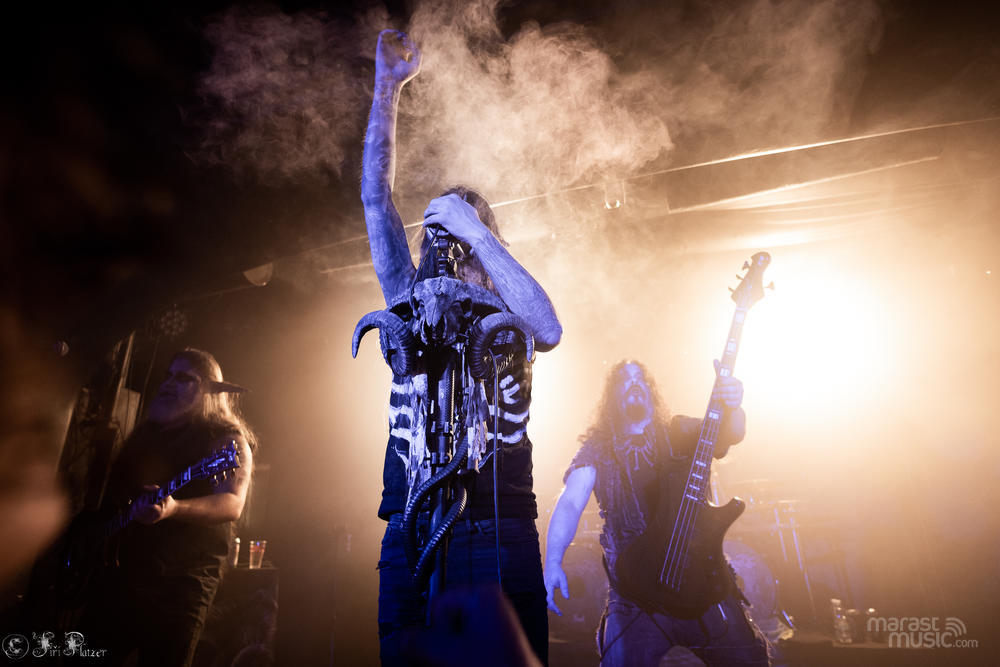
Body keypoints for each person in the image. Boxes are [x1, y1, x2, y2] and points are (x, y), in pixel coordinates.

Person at [361, 29, 562, 666]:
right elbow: (375, 198)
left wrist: (475, 228)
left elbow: (549, 330)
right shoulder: (409, 294)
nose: (444, 241)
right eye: (438, 230)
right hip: (410, 521)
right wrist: (387, 89)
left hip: (497, 525)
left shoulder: (508, 307)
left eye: (459, 229)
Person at [544, 360, 770, 666]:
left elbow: (730, 432)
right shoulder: (598, 449)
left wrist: (734, 405)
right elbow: (571, 502)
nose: (634, 383)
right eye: (625, 380)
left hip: (703, 581)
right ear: (612, 396)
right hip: (635, 594)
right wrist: (553, 561)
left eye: (641, 378)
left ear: (651, 391)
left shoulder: (679, 431)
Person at [80, 348, 256, 667]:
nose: (170, 383)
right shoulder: (147, 435)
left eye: (184, 378)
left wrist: (175, 508)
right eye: (169, 375)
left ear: (210, 391)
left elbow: (232, 502)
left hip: (180, 584)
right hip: (123, 575)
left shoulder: (226, 440)